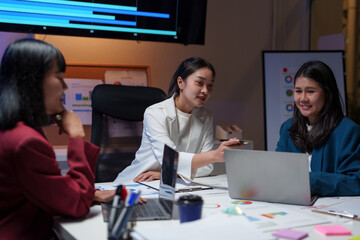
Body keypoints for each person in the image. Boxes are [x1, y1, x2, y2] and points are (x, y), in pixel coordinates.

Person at [0, 38, 115, 239]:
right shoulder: (25, 142)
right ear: (33, 80)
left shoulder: (12, 131)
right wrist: (77, 137)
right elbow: (77, 205)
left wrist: (90, 194)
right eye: (59, 76)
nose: (65, 87)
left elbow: (35, 190)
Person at [115, 57, 240, 183]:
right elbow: (170, 159)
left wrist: (168, 174)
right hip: (137, 182)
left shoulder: (206, 116)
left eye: (210, 85)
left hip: (172, 183)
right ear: (181, 83)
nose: (205, 91)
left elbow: (207, 167)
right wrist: (214, 156)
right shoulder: (154, 113)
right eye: (199, 83)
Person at [276, 60, 360, 197]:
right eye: (298, 91)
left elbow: (355, 181)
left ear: (327, 94)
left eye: (310, 91)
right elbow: (278, 171)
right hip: (292, 207)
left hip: (330, 211)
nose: (303, 98)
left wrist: (309, 180)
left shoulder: (349, 131)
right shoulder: (287, 128)